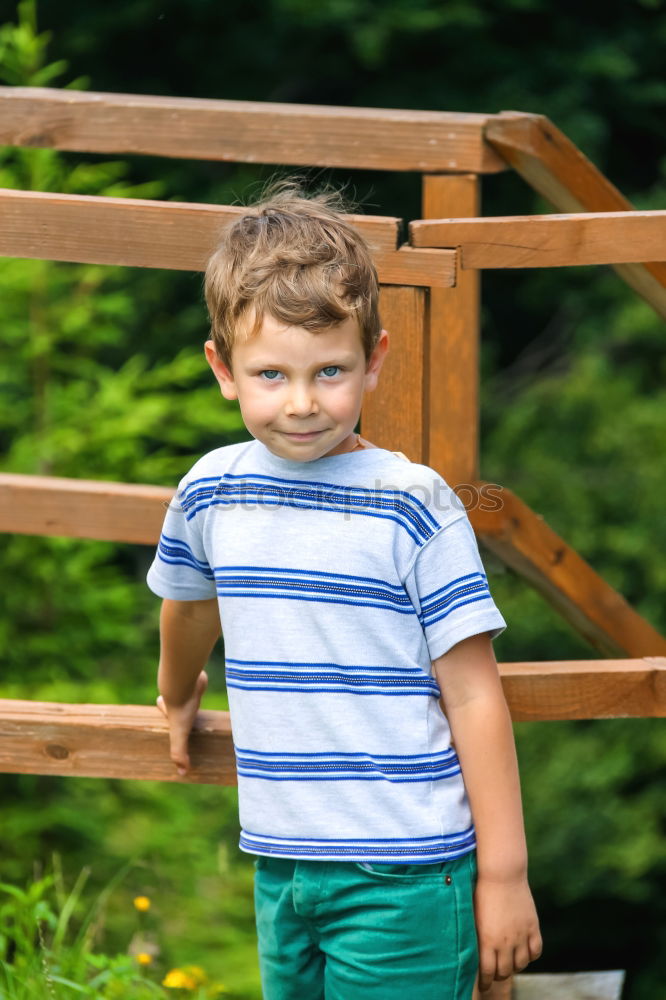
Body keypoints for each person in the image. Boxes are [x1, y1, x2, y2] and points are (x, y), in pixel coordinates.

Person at [146, 183, 542, 1000]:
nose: (301, 403)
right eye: (271, 374)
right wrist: (175, 690)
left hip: (406, 872)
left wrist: (502, 876)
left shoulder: (414, 503)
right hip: (282, 865)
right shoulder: (210, 493)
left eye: (330, 371)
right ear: (223, 368)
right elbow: (189, 606)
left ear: (375, 360)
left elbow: (473, 697)